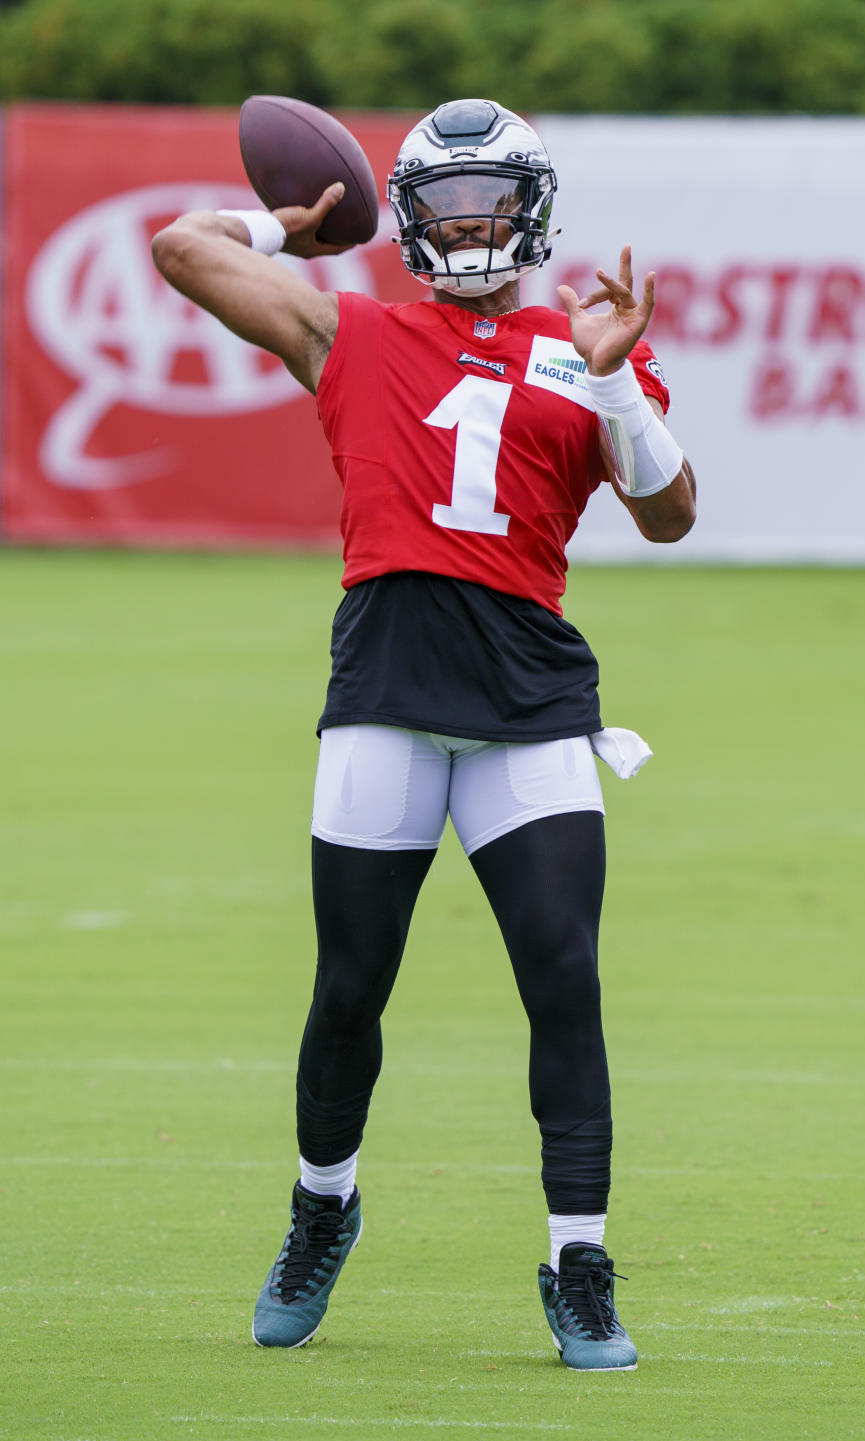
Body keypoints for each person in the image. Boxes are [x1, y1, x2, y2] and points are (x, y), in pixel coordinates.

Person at [152, 97, 696, 1372]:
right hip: (389, 691)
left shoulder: (587, 345)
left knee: (564, 982)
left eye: (488, 203)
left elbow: (670, 515)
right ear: (405, 217)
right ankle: (321, 1206)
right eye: (445, 206)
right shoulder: (352, 329)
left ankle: (580, 1261)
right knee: (350, 990)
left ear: (532, 210)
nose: (467, 226)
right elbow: (182, 248)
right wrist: (280, 228)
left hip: (529, 706)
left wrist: (615, 381)